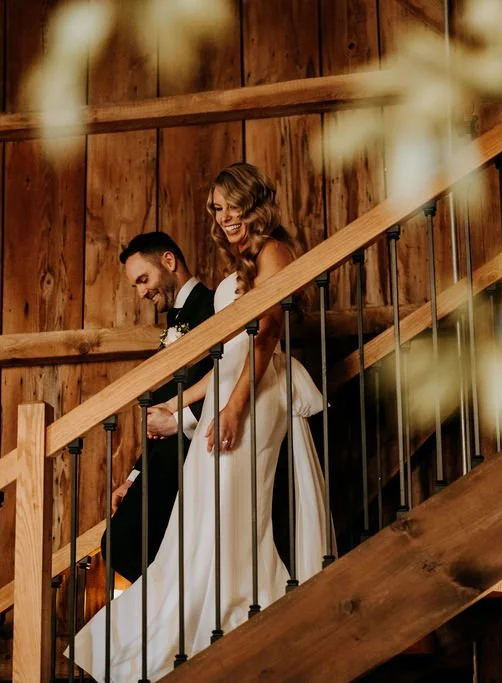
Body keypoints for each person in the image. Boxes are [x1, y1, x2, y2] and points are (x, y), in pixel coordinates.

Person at [72, 163, 332, 682]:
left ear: (253, 201)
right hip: (232, 393)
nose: (225, 215)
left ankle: (240, 615)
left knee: (235, 509)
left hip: (258, 399)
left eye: (232, 204)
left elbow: (264, 339)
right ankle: (203, 620)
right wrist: (182, 404)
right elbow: (225, 361)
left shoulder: (275, 251)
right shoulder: (240, 266)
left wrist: (232, 409)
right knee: (204, 511)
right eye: (217, 208)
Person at [105, 232, 215, 582]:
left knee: (122, 543)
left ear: (169, 261)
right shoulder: (175, 322)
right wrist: (133, 478)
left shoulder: (214, 306)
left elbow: (234, 373)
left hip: (202, 450)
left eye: (143, 279)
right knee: (119, 543)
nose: (141, 293)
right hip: (169, 455)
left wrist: (181, 420)